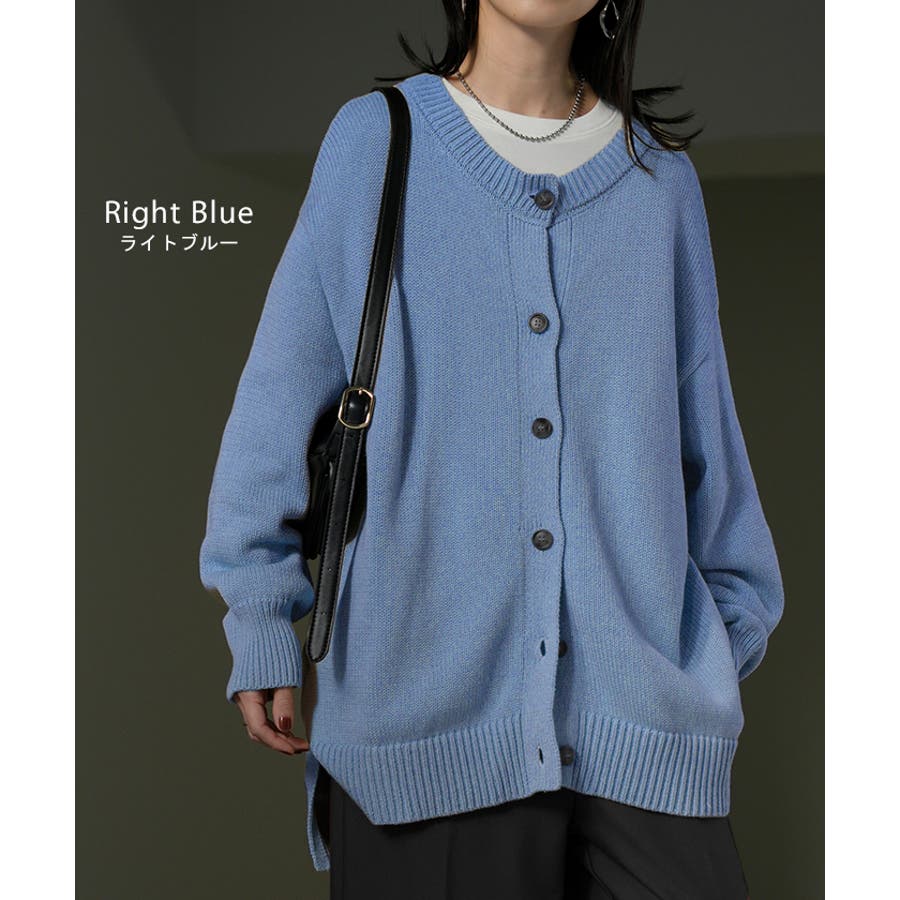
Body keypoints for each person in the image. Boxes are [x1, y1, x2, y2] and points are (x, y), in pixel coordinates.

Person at [198, 2, 784, 897]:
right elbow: (274, 409)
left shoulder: (659, 181)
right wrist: (261, 616)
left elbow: (708, 443)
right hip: (421, 726)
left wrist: (710, 647)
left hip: (646, 724)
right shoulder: (377, 142)